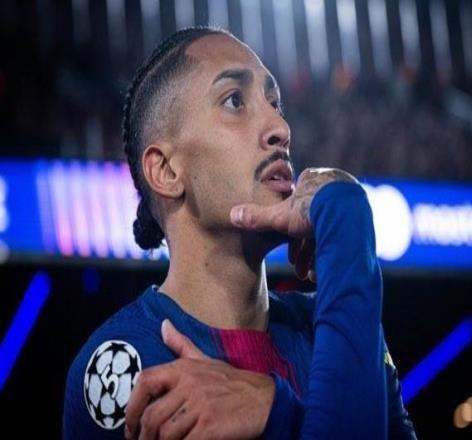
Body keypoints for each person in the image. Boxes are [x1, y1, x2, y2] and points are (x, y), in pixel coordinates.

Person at [64, 26, 416, 439]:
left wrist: (274, 411)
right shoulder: (127, 362)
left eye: (275, 103)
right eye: (235, 101)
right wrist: (345, 218)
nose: (280, 127)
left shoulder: (325, 321)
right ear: (167, 170)